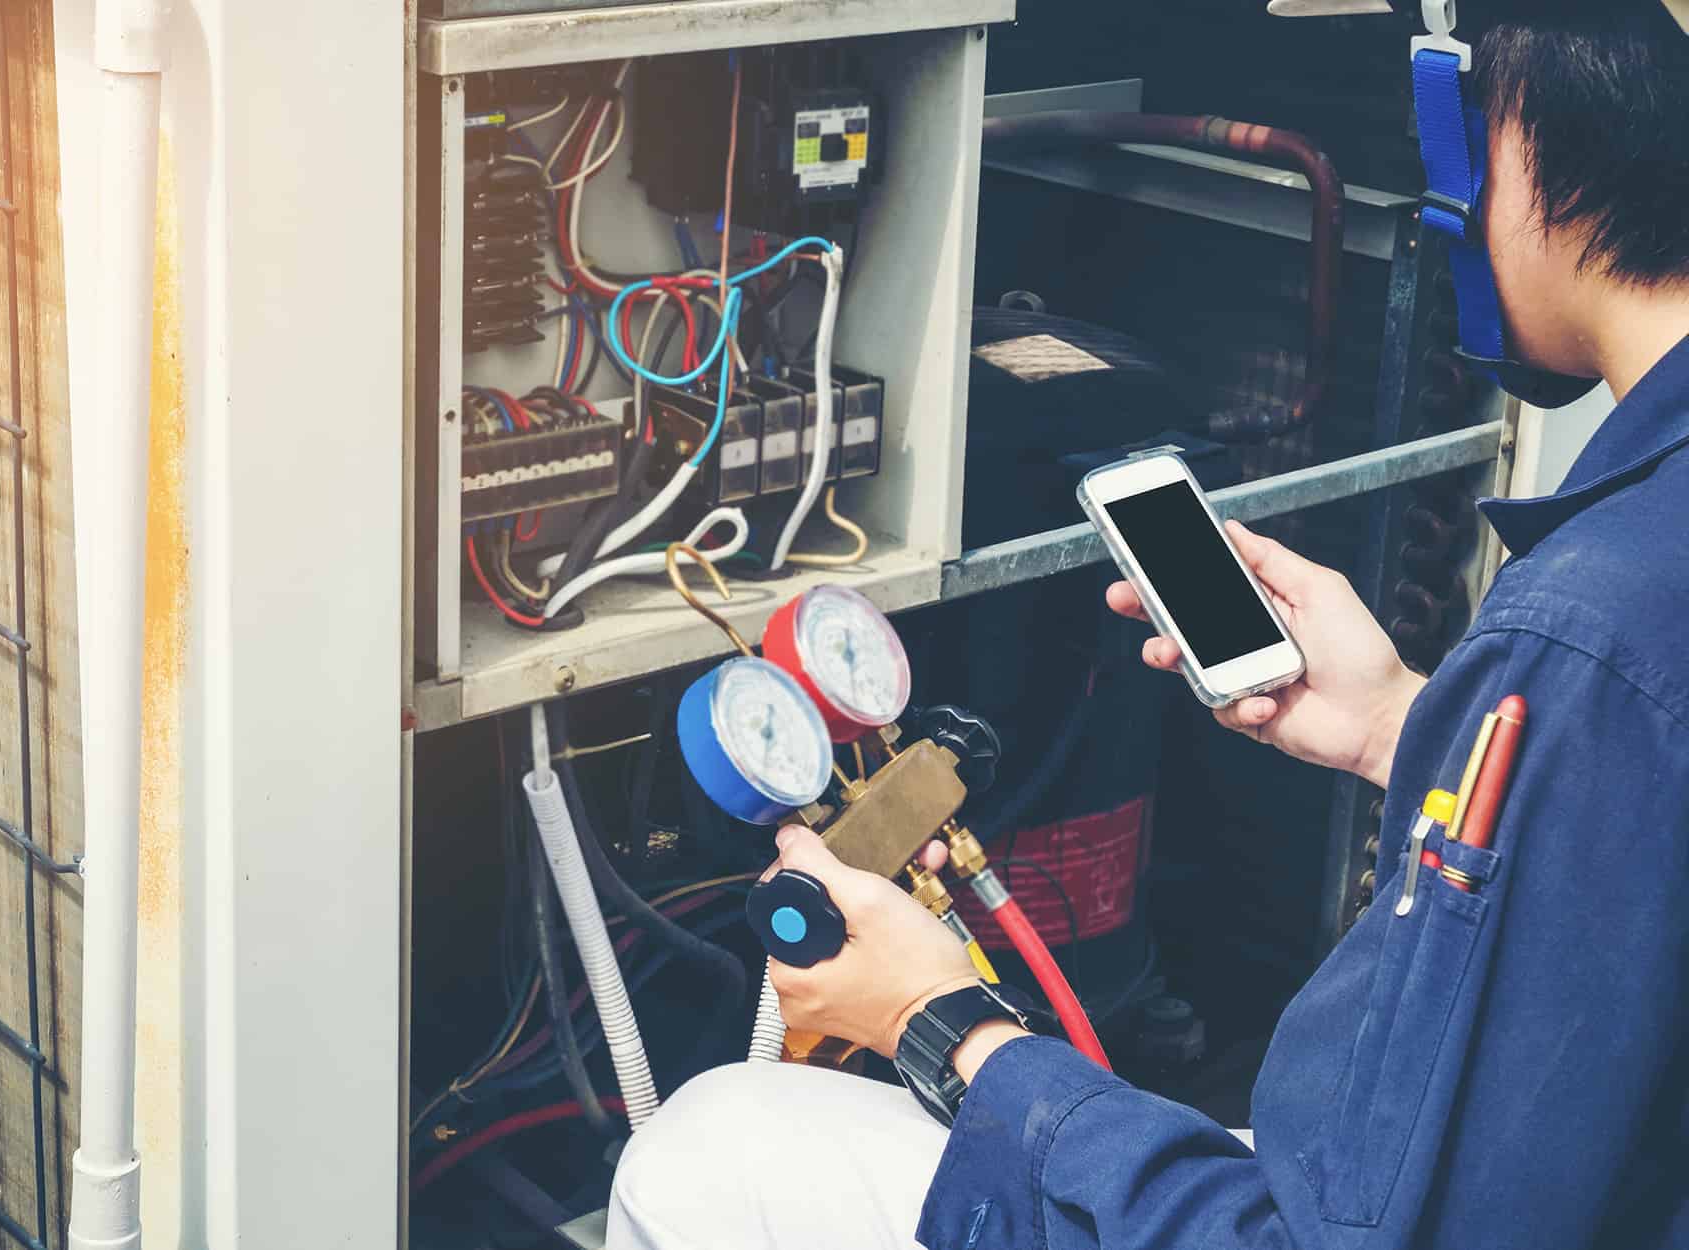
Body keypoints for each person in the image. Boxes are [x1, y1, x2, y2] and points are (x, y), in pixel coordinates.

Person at [606, 5, 1689, 1247]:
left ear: (1496, 133)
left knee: (703, 1148)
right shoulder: (1621, 604)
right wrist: (1404, 726)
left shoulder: (1588, 626)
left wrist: (945, 1020)